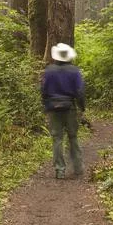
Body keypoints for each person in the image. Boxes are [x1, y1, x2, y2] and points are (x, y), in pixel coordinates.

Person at [41, 43, 85, 179]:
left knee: (57, 139)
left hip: (53, 108)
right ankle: (78, 168)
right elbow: (80, 91)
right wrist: (82, 107)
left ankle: (60, 170)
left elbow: (43, 90)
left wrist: (46, 105)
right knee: (73, 137)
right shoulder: (74, 71)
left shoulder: (48, 70)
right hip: (70, 107)